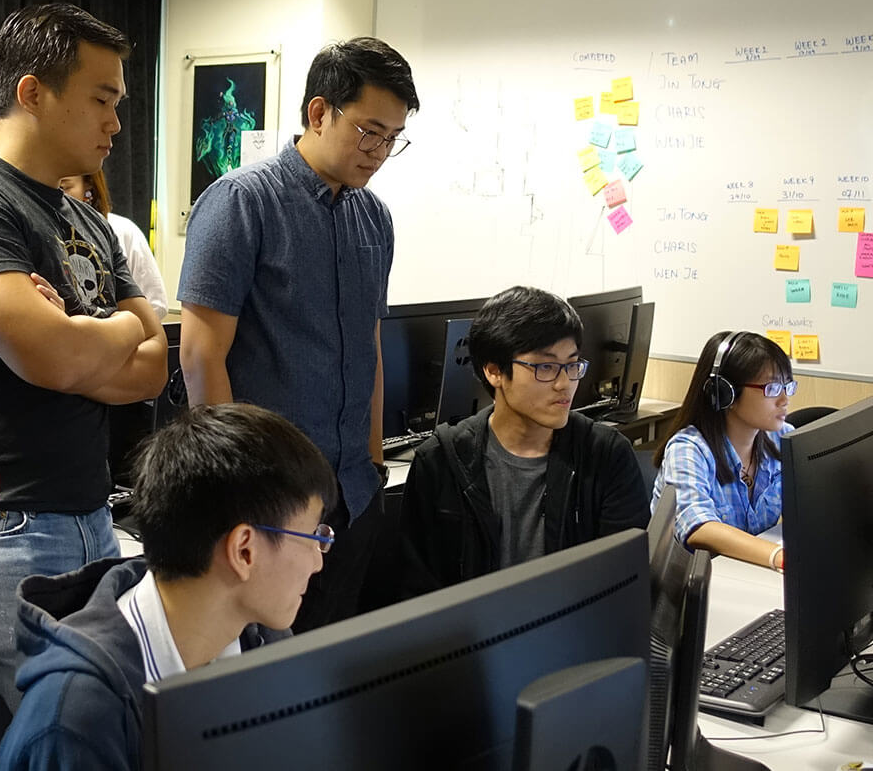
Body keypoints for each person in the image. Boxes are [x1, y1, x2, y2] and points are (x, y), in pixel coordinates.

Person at [0, 2, 167, 710]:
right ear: (32, 93)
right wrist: (106, 332)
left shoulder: (84, 219)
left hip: (87, 512)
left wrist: (83, 336)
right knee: (22, 743)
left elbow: (154, 365)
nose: (116, 122)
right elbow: (53, 357)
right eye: (101, 100)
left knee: (87, 734)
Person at [177, 37, 419, 631]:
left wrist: (373, 455)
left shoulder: (374, 217)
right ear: (318, 112)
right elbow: (201, 355)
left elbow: (370, 347)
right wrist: (234, 492)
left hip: (352, 493)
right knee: (262, 677)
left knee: (325, 667)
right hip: (270, 501)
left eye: (393, 138)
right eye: (369, 131)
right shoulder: (241, 202)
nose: (380, 152)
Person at [0, 403, 333, 771]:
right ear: (244, 550)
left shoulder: (258, 637)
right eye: (312, 536)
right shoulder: (80, 718)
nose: (319, 560)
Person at [400, 286, 651, 597]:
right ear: (494, 371)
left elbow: (626, 581)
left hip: (576, 636)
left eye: (572, 365)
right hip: (470, 640)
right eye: (545, 367)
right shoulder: (440, 460)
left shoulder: (605, 454)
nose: (564, 384)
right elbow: (416, 592)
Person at [652, 330, 795, 571]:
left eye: (787, 386)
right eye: (771, 388)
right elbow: (698, 525)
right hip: (691, 589)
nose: (784, 399)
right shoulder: (689, 449)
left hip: (745, 574)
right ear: (725, 392)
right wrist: (779, 557)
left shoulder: (782, 437)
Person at [60, 170, 167, 320]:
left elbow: (155, 304)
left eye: (64, 187)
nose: (58, 195)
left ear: (88, 184)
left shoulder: (121, 230)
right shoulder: (37, 230)